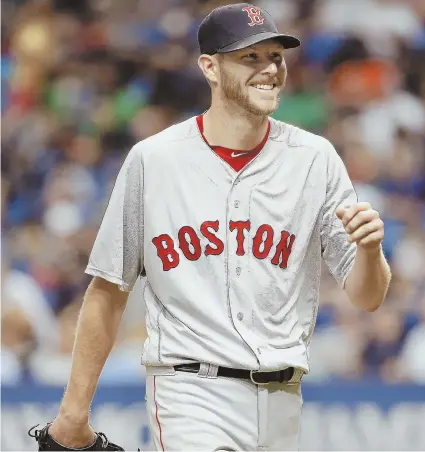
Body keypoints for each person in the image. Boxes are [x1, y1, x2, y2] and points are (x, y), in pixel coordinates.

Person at [44, 3, 391, 450]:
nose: (269, 69)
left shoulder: (315, 158)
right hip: (191, 390)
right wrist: (74, 413)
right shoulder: (156, 160)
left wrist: (367, 250)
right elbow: (109, 290)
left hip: (282, 400)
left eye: (276, 57)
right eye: (251, 57)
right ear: (209, 66)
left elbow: (368, 297)